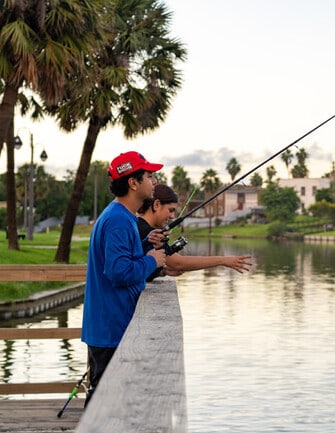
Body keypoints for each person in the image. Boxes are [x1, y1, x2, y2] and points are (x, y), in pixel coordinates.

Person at [81, 151, 167, 406]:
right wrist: (152, 260)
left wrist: (143, 245)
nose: (153, 181)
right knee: (106, 406)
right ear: (133, 182)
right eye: (149, 176)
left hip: (108, 327)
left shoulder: (119, 216)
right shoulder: (118, 220)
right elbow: (118, 272)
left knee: (105, 402)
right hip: (111, 329)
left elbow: (120, 260)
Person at [137, 184, 252, 278]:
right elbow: (178, 263)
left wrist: (163, 272)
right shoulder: (146, 232)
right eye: (170, 210)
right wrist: (223, 260)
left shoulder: (141, 227)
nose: (172, 216)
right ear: (156, 204)